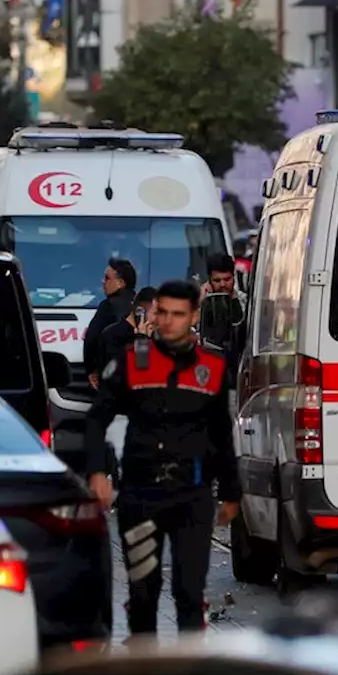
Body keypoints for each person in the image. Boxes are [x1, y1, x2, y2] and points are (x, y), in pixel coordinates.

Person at [84, 279, 241, 639]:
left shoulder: (212, 368)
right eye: (163, 313)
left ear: (194, 316)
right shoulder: (132, 362)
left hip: (192, 495)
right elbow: (96, 419)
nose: (168, 321)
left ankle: (187, 671)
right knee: (143, 594)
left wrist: (232, 493)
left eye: (178, 314)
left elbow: (221, 435)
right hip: (141, 495)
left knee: (189, 593)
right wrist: (97, 473)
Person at [83, 258, 137, 386]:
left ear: (120, 283)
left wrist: (91, 370)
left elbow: (91, 340)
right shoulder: (139, 306)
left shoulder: (108, 307)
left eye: (107, 278)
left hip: (111, 376)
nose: (103, 282)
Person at [90, 287, 158, 386]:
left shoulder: (154, 337)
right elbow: (137, 374)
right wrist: (142, 340)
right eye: (156, 313)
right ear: (140, 312)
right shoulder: (113, 336)